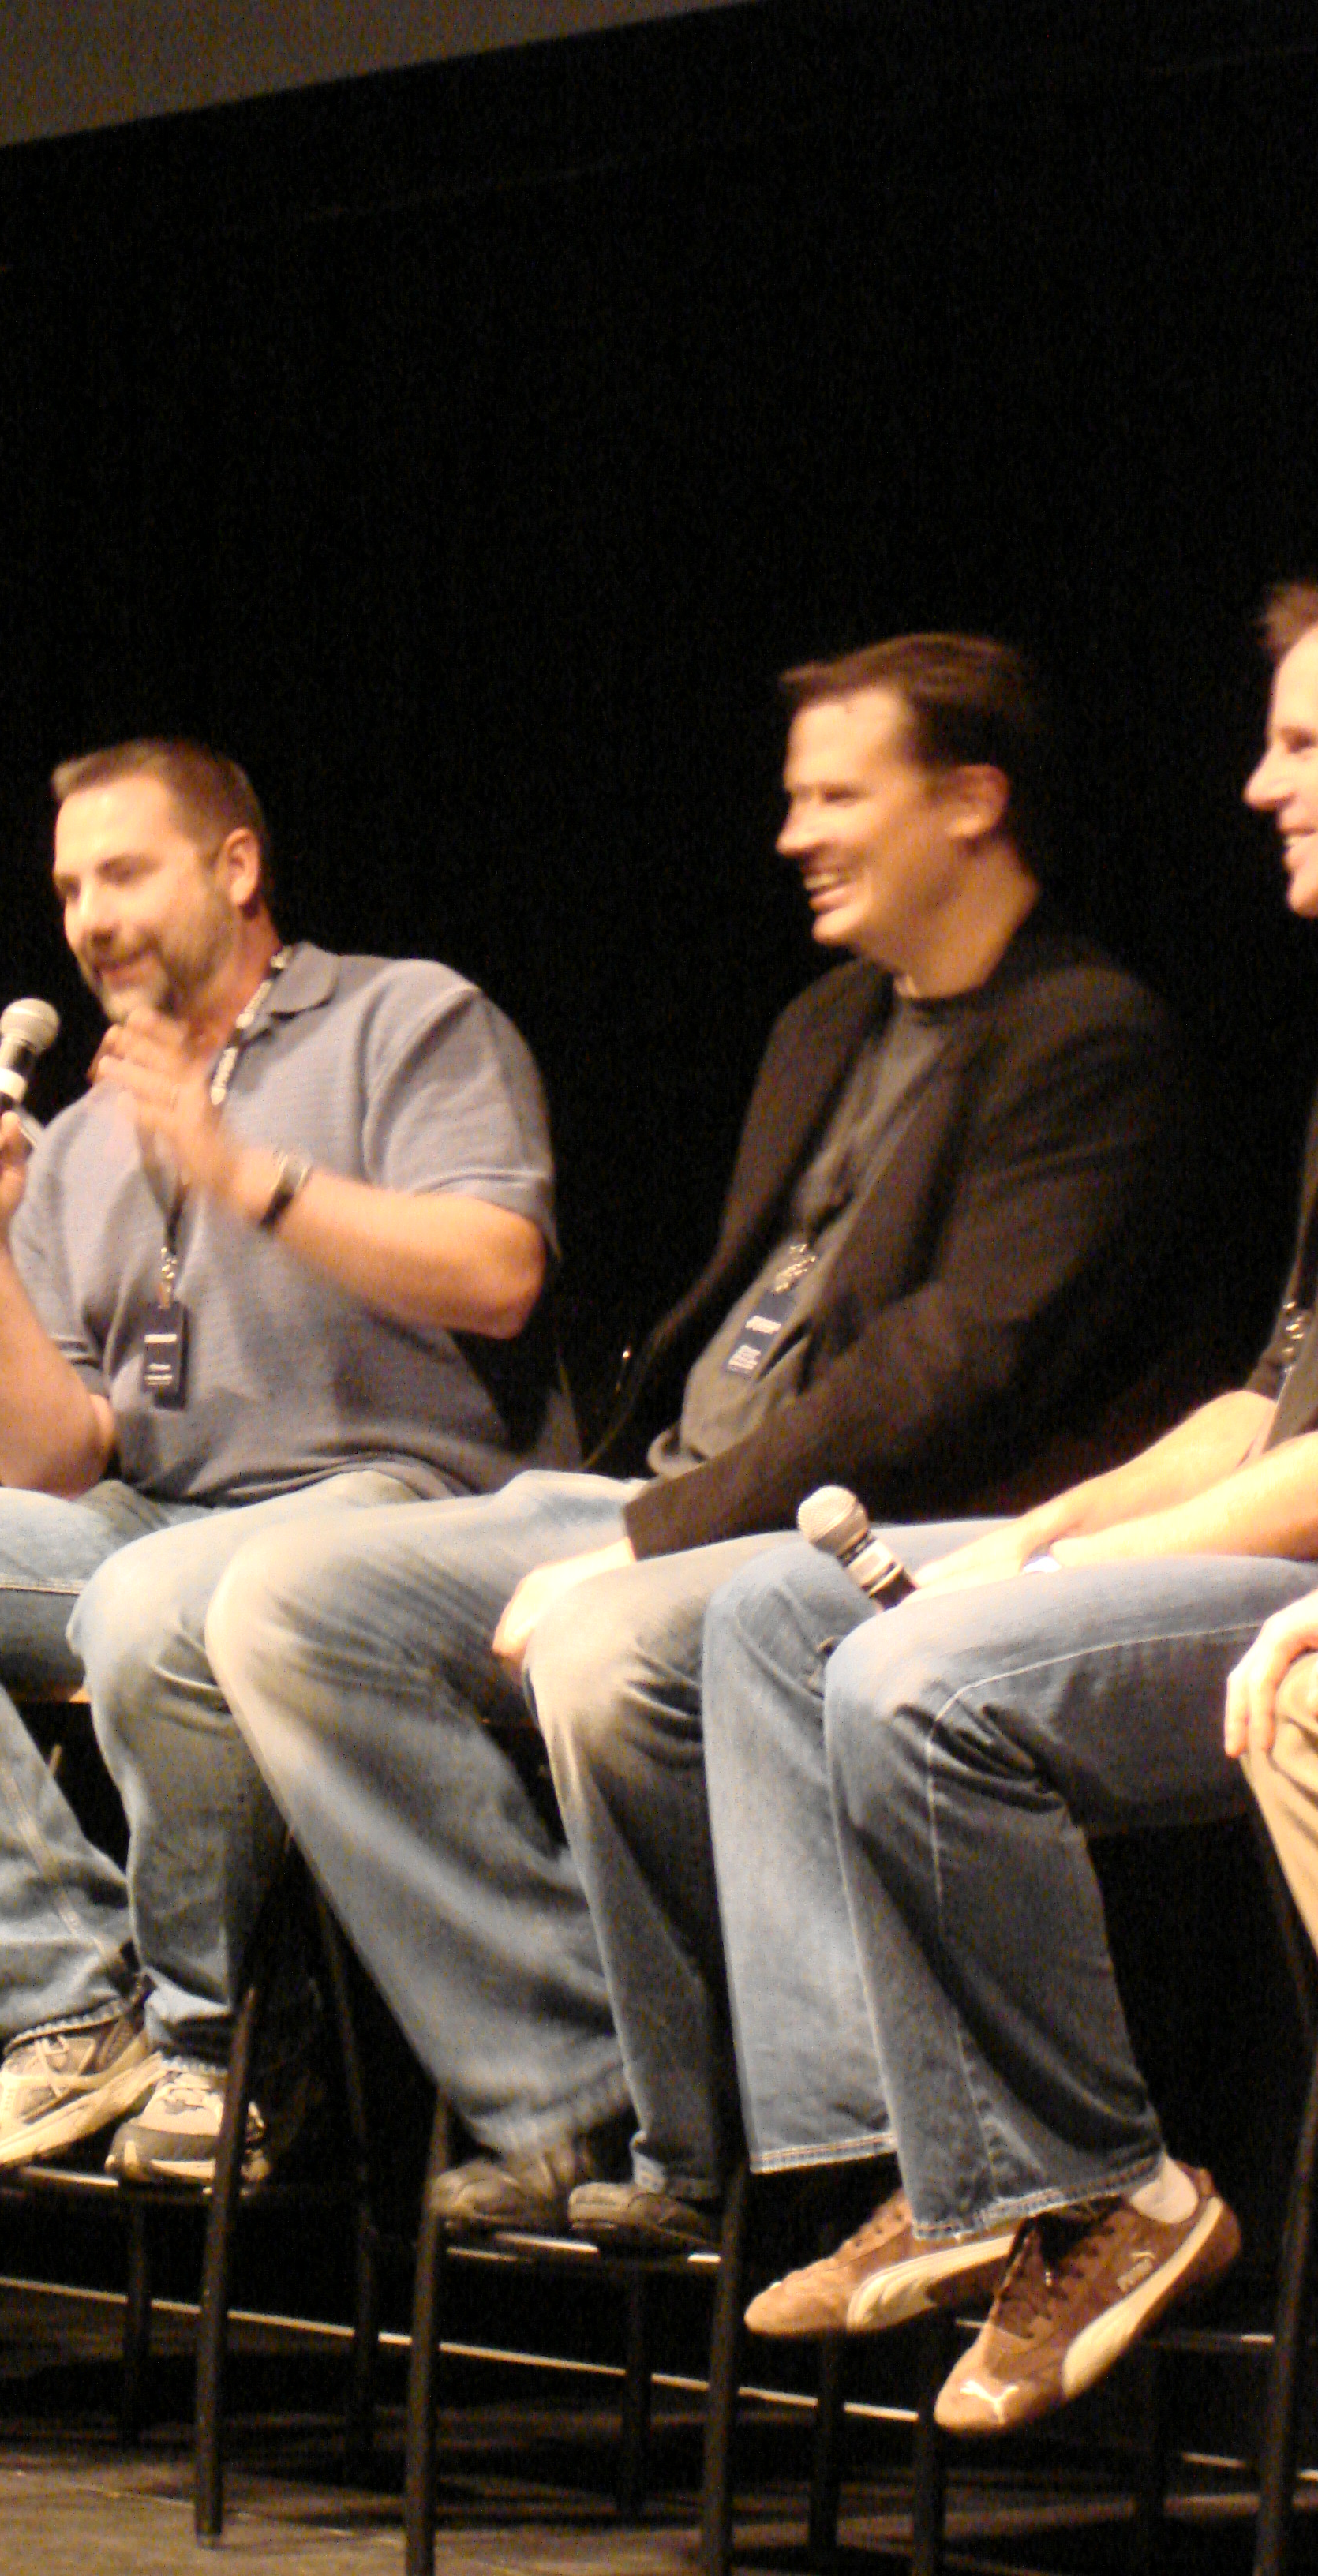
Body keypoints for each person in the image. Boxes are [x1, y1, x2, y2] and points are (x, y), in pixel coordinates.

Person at [205, 634, 1188, 2250]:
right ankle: (572, 2080)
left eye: (838, 796)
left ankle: (733, 2158)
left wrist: (645, 1541)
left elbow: (950, 1377)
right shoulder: (823, 1023)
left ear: (971, 802)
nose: (795, 833)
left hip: (864, 1536)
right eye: (795, 797)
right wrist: (631, 1505)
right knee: (286, 1605)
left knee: (608, 1654)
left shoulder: (1088, 1041)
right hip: (666, 1489)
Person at [0, 739, 570, 2184]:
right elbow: (55, 1459)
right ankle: (74, 2005)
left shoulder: (406, 1016)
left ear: (236, 869)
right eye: (71, 888)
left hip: (401, 1500)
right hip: (163, 1511)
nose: (90, 917)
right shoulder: (79, 1137)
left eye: (124, 873)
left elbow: (499, 1272)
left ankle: (217, 2039)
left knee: (149, 1605)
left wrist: (238, 1168)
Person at [698, 584, 1318, 2439]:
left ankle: (1111, 2189)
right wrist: (1076, 1520)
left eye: (1303, 745)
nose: (1259, 784)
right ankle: (947, 2171)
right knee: (773, 1611)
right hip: (1260, 1531)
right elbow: (1272, 1395)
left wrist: (1124, 1557)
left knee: (924, 1681)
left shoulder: (1092, 1033)